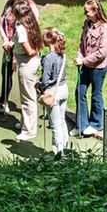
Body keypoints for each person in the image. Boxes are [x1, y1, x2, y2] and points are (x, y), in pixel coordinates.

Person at [0, 0, 36, 114]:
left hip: (23, 46)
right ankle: (2, 102)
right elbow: (1, 23)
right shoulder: (8, 4)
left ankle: (31, 108)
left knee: (25, 77)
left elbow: (33, 27)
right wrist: (5, 40)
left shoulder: (29, 6)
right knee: (6, 73)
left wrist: (13, 41)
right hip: (8, 46)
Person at [75, 0, 107, 138]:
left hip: (99, 66)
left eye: (87, 12)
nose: (85, 14)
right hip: (85, 64)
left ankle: (96, 124)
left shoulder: (106, 29)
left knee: (96, 94)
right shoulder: (87, 24)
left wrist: (84, 60)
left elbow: (102, 52)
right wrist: (79, 56)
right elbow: (82, 43)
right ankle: (81, 124)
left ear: (96, 11)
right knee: (80, 92)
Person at [11, 0, 44, 141]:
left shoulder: (20, 28)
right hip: (30, 61)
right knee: (27, 95)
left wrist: (33, 50)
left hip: (26, 63)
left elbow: (29, 51)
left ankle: (29, 130)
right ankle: (26, 122)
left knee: (28, 98)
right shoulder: (30, 23)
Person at [37, 26, 70, 158]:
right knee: (62, 121)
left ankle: (59, 153)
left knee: (55, 124)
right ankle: (66, 148)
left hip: (53, 92)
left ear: (48, 40)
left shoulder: (48, 58)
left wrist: (38, 85)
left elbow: (45, 80)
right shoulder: (62, 54)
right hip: (63, 88)